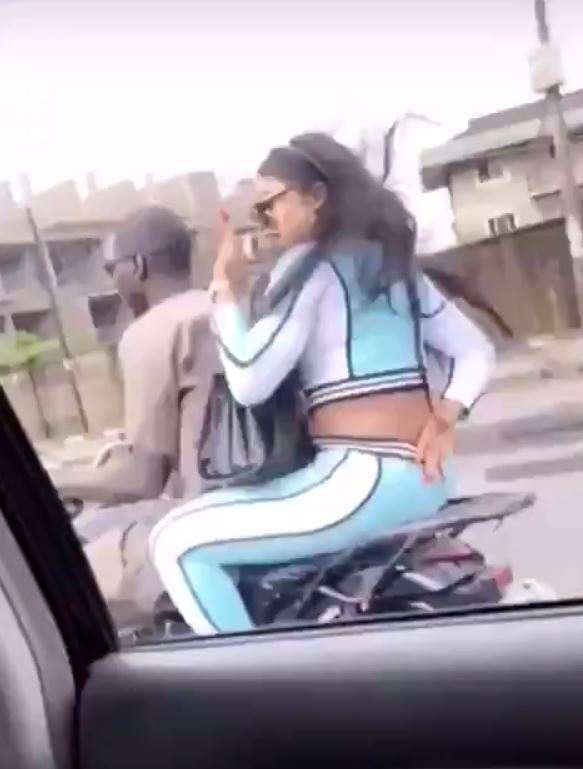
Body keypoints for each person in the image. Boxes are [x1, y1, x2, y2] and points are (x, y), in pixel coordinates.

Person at [150, 133, 496, 636]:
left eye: (271, 203)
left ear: (315, 196)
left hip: (362, 481)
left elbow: (249, 380)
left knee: (176, 543)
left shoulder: (312, 269)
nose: (264, 218)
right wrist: (445, 416)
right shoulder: (390, 265)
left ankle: (253, 682)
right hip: (424, 480)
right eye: (257, 210)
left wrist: (225, 289)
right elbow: (476, 353)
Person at [53, 204, 220, 511]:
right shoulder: (230, 307)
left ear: (138, 266)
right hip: (277, 495)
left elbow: (143, 480)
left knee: (90, 527)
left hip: (207, 513)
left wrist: (53, 480)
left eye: (111, 269)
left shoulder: (150, 332)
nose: (113, 280)